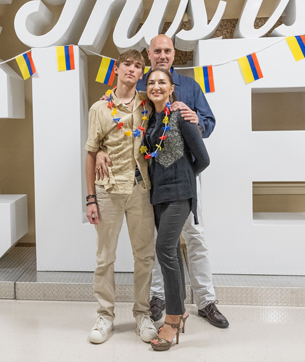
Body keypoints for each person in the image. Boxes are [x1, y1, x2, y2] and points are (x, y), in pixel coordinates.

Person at [96, 34, 229, 329]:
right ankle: (158, 297)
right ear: (149, 54)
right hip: (151, 178)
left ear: (173, 54)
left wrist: (197, 120)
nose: (163, 55)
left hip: (185, 176)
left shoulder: (191, 87)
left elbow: (208, 123)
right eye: (157, 51)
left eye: (168, 50)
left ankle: (206, 301)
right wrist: (102, 149)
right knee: (158, 242)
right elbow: (115, 122)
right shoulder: (139, 88)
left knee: (195, 236)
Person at [85, 49, 157, 344]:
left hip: (141, 191)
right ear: (117, 69)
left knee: (145, 257)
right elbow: (91, 153)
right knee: (105, 258)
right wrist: (90, 198)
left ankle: (142, 314)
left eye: (138, 66)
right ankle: (105, 315)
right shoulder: (99, 109)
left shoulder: (149, 105)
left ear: (142, 73)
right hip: (109, 191)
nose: (132, 69)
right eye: (127, 64)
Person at [143, 67, 210, 350]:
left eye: (162, 82)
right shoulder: (150, 121)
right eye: (151, 82)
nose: (156, 86)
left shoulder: (181, 116)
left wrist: (183, 178)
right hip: (157, 195)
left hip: (180, 195)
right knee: (170, 252)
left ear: (172, 89)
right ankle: (180, 310)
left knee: (164, 250)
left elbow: (203, 160)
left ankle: (171, 319)